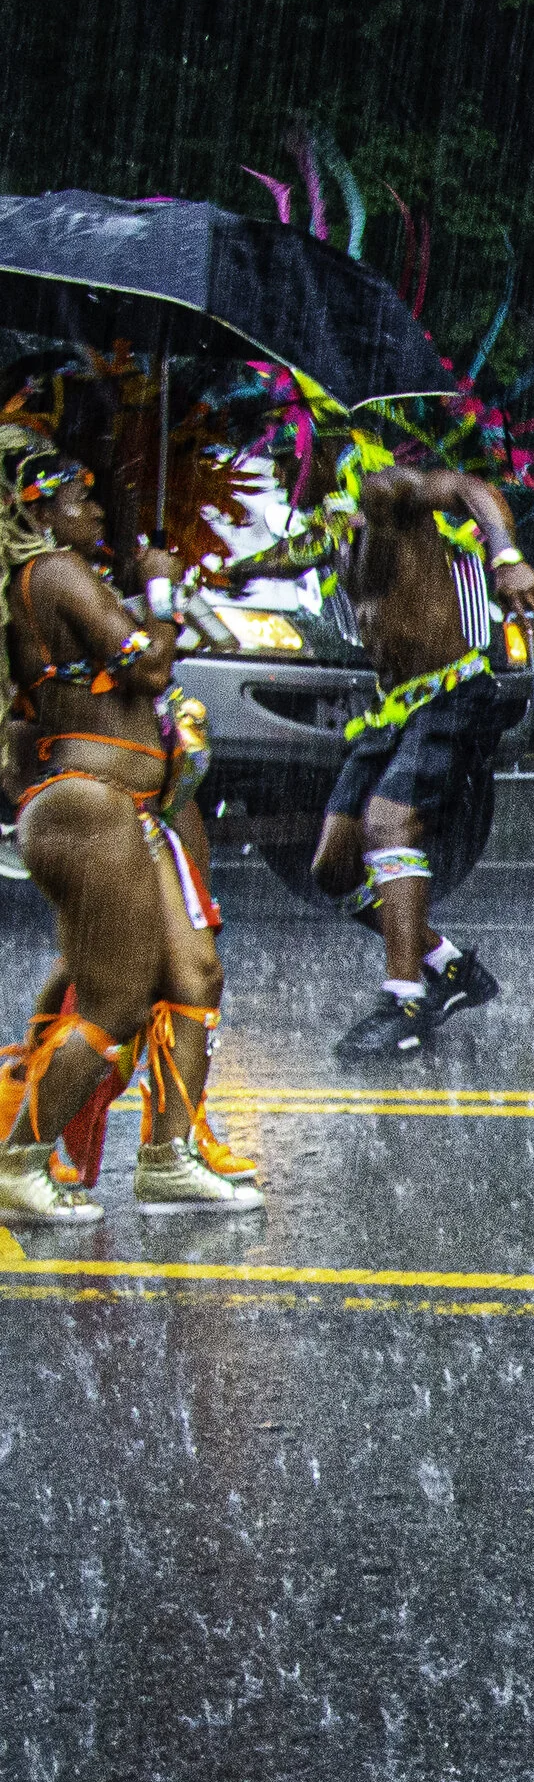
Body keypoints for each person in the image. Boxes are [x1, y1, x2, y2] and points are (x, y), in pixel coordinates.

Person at [0, 427, 259, 1219]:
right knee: (111, 1001)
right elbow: (149, 665)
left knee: (194, 975)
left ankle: (167, 1157)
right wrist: (159, 588)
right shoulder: (52, 570)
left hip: (135, 813)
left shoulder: (68, 570)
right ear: (32, 509)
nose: (91, 508)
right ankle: (19, 1162)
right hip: (90, 805)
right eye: (74, 497)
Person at [235, 437, 534, 1060]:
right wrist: (209, 567)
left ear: (321, 447)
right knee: (331, 867)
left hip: (449, 695)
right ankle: (448, 964)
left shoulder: (383, 490)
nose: (280, 470)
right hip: (390, 710)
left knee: (388, 825)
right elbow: (280, 560)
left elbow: (468, 487)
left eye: (288, 454)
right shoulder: (335, 525)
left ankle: (405, 1000)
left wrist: (507, 555)